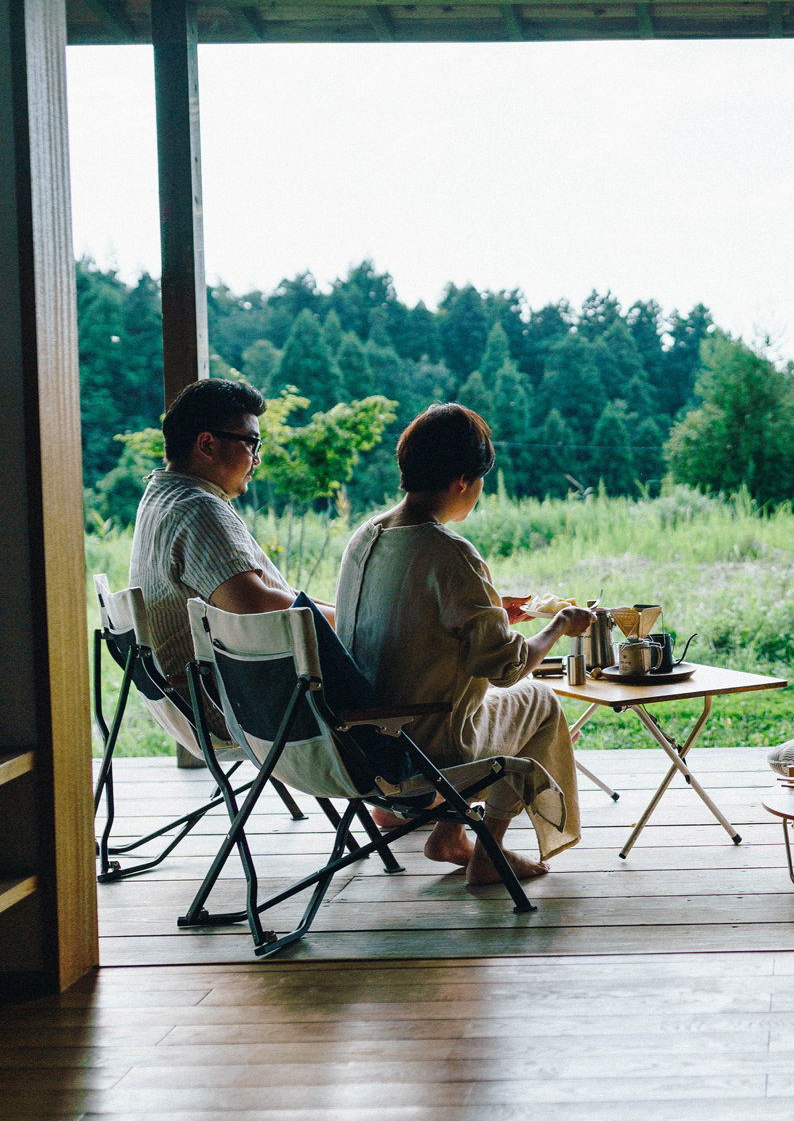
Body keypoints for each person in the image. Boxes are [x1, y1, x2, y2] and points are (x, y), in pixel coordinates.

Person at [335, 402, 593, 885]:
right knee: (538, 699)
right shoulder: (452, 553)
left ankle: (451, 836)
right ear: (461, 482)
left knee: (493, 701)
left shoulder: (365, 536)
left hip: (360, 740)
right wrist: (558, 624)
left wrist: (496, 612)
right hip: (424, 749)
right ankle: (489, 852)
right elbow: (509, 668)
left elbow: (413, 621)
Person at [129, 378, 336, 732]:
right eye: (251, 443)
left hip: (197, 697)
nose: (257, 459)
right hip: (238, 706)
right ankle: (427, 783)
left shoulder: (161, 494)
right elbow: (256, 605)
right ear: (207, 443)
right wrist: (353, 623)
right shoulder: (197, 509)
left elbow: (273, 597)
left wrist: (345, 614)